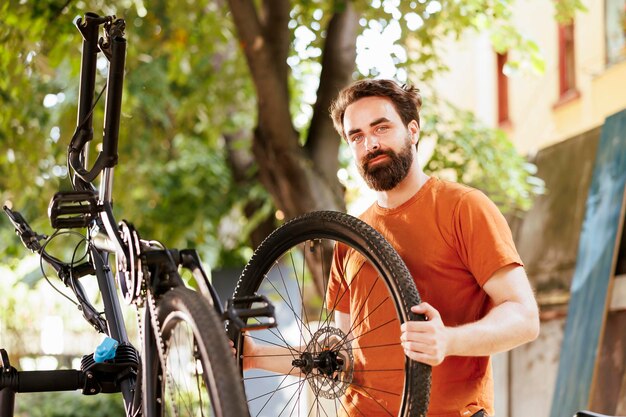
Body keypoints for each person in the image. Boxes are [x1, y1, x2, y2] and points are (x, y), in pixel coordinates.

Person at [240, 78, 539, 417]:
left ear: (413, 130)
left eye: (381, 128)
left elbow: (524, 317)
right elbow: (342, 359)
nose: (370, 143)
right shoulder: (350, 238)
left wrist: (448, 340)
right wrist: (255, 355)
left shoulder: (464, 207)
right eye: (357, 136)